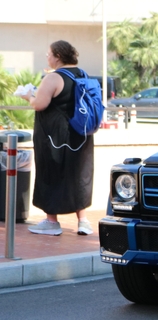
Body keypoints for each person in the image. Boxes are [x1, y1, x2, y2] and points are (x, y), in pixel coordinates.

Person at [19, 40, 94, 236]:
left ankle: (52, 222)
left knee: (50, 172)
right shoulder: (83, 74)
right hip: (81, 134)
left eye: (49, 53)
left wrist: (28, 96)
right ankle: (83, 221)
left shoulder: (54, 78)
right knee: (78, 174)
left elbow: (40, 105)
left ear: (58, 56)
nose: (47, 56)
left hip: (56, 137)